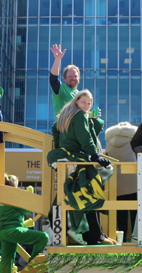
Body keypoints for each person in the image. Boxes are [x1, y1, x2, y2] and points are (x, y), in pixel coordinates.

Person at [51, 89, 115, 245]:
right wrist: (95, 156)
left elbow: (55, 130)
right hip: (78, 159)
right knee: (92, 190)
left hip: (65, 160)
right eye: (83, 102)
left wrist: (61, 145)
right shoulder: (79, 115)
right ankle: (94, 235)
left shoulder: (64, 116)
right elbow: (86, 138)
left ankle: (94, 233)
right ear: (76, 101)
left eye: (89, 103)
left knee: (78, 194)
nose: (86, 105)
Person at [0, 174, 49, 273]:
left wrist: (26, 223)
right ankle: (32, 260)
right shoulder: (13, 196)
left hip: (4, 233)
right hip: (13, 231)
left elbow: (8, 220)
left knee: (7, 260)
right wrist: (29, 194)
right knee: (43, 237)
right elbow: (28, 208)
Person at [105, 122, 138, 242]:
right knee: (135, 210)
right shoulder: (133, 137)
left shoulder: (109, 139)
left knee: (120, 212)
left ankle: (122, 239)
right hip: (133, 176)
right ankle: (135, 237)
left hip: (116, 178)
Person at [49, 44, 80, 122]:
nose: (73, 78)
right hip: (63, 131)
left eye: (75, 76)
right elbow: (53, 80)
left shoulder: (79, 94)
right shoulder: (62, 89)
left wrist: (91, 115)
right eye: (70, 76)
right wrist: (57, 59)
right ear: (64, 79)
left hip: (75, 131)